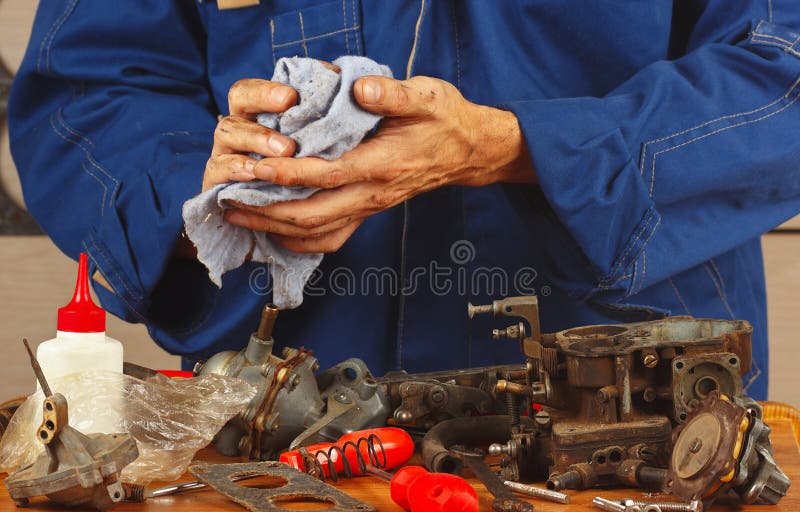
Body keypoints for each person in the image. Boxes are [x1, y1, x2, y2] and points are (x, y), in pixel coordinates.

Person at [9, 1, 800, 400]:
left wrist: (522, 147)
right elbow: (87, 89)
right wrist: (213, 200)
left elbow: (784, 68)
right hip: (283, 414)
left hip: (638, 405)